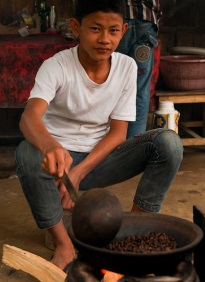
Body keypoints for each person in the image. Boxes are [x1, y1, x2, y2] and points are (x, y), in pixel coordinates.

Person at [15, 0, 183, 270]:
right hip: (58, 165)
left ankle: (133, 231)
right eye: (95, 29)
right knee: (25, 152)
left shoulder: (127, 67)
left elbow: (119, 133)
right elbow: (29, 117)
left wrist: (79, 172)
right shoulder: (56, 66)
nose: (105, 39)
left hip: (99, 161)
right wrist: (49, 147)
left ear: (124, 30)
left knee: (168, 143)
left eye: (113, 31)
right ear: (76, 28)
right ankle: (63, 243)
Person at [116, 0, 162, 138]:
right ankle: (134, 151)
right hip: (145, 19)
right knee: (140, 91)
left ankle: (110, 151)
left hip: (115, 17)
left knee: (111, 85)